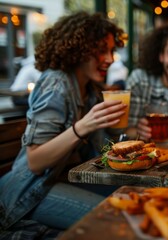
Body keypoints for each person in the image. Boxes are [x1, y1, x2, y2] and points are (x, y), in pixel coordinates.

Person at [0, 11, 127, 235]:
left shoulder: (91, 89)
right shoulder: (55, 83)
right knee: (119, 221)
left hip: (67, 179)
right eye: (100, 51)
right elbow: (35, 161)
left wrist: (132, 132)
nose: (109, 59)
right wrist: (82, 127)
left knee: (136, 200)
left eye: (111, 51)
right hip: (30, 192)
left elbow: (102, 150)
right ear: (77, 50)